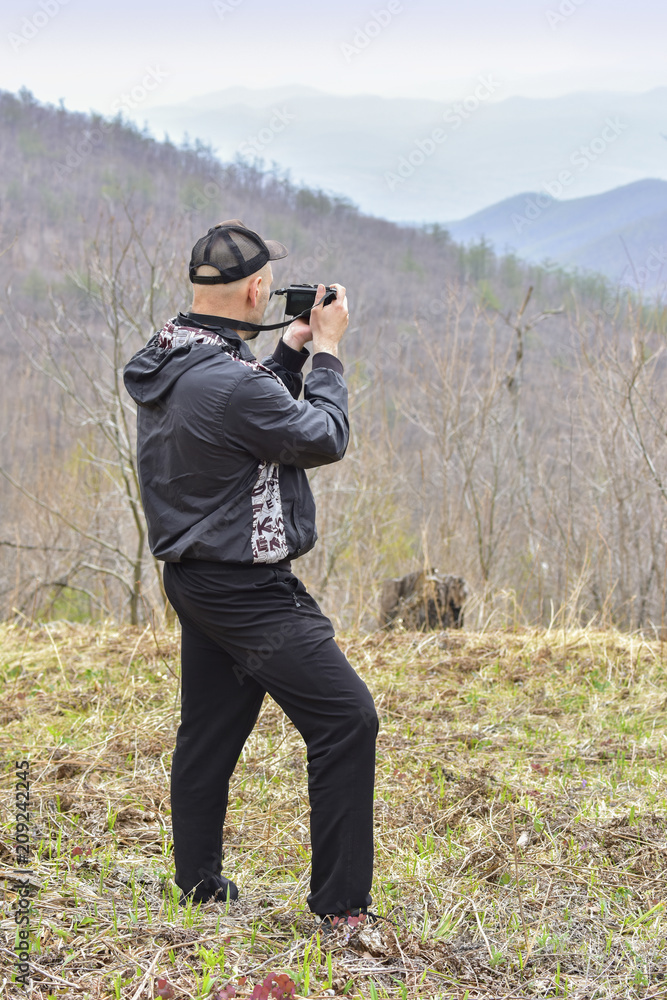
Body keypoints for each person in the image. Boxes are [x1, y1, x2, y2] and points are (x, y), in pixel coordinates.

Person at [123, 220, 378, 925]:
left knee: (209, 732)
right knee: (346, 719)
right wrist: (326, 352)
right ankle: (342, 909)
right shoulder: (232, 383)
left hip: (196, 576)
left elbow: (246, 414)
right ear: (259, 288)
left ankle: (198, 883)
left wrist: (287, 353)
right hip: (246, 588)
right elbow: (322, 437)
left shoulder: (174, 357)